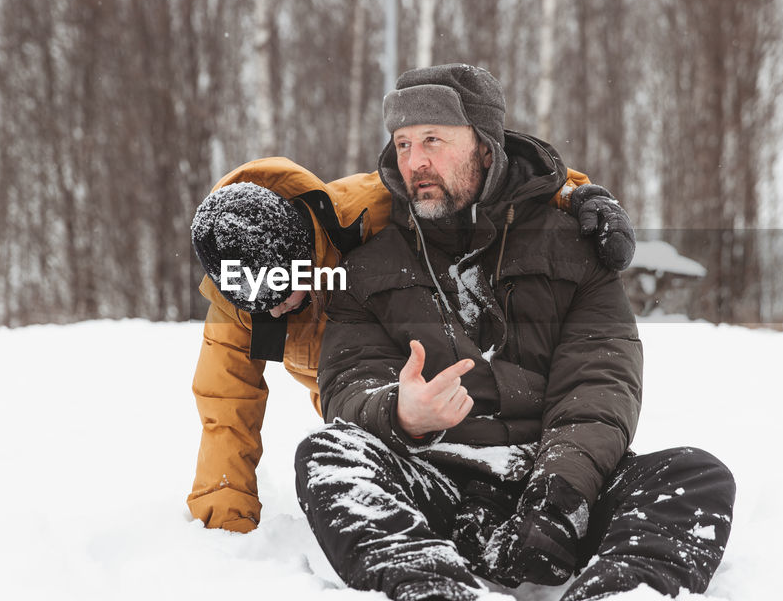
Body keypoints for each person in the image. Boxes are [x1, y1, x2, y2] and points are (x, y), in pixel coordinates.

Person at [293, 63, 736, 601]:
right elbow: (348, 383)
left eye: (433, 140)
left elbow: (601, 383)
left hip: (556, 481)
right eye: (402, 144)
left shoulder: (576, 250)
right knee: (329, 456)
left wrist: (560, 490)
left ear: (484, 146)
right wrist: (400, 412)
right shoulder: (368, 269)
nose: (414, 161)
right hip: (437, 480)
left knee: (694, 475)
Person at [188, 157, 636, 533]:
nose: (280, 310)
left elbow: (478, 181)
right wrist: (226, 528)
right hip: (364, 396)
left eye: (286, 291)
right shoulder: (240, 306)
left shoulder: (366, 208)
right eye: (264, 305)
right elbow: (226, 409)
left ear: (303, 250)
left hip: (442, 353)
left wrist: (576, 195)